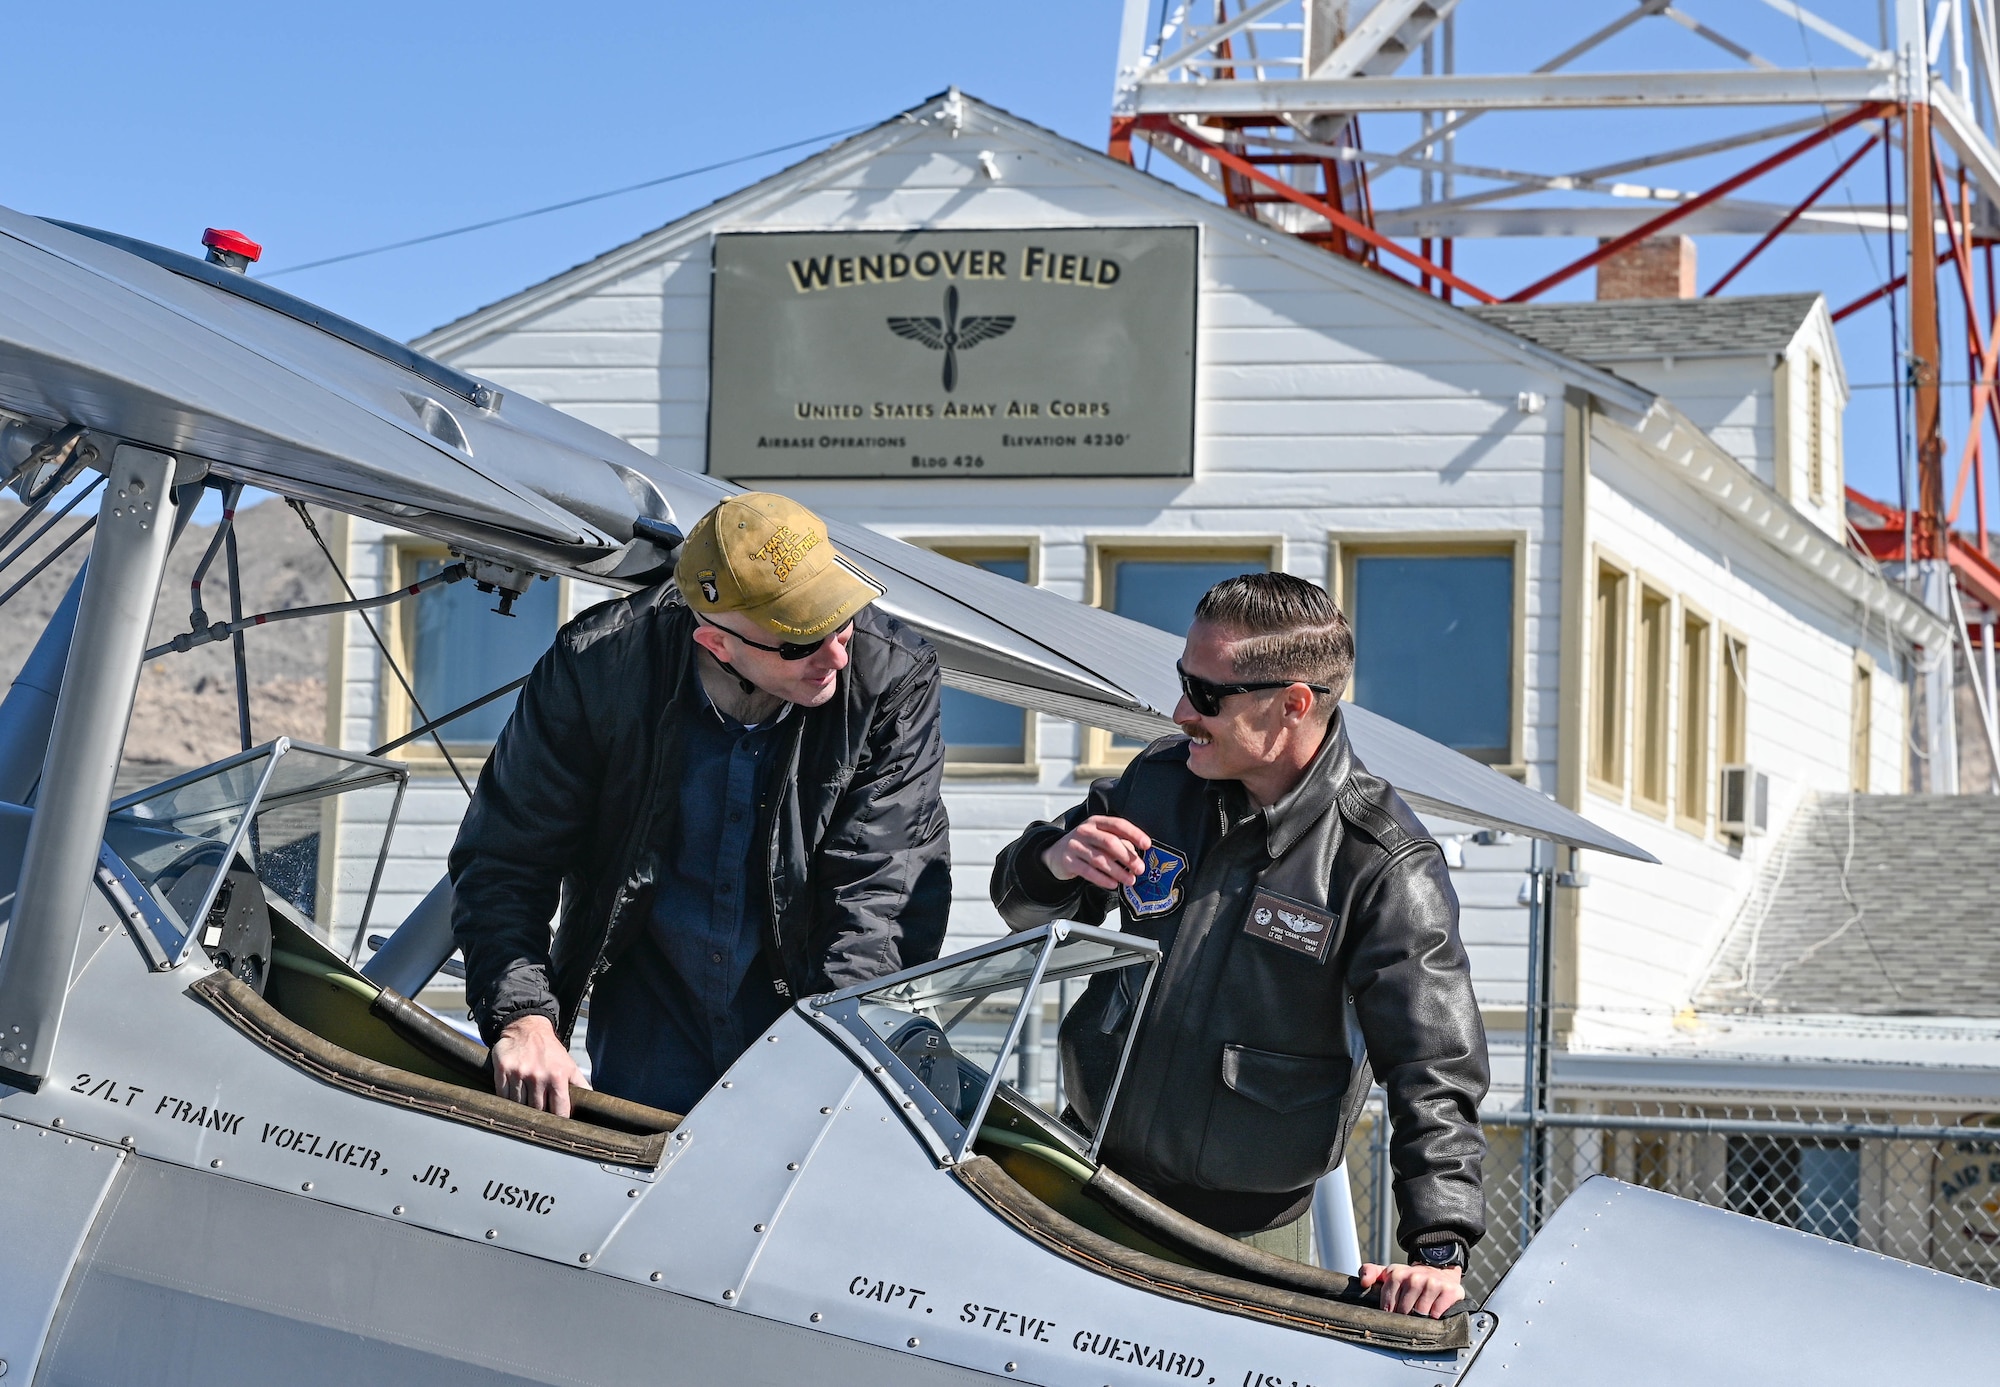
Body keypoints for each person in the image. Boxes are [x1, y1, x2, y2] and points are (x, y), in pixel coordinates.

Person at [989, 572, 1487, 1318]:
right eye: (1183, 680)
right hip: (1088, 1185)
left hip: (1240, 1246)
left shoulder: (1378, 860)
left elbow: (1434, 1065)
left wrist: (1439, 1247)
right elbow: (1020, 903)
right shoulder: (1158, 785)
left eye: (1208, 695)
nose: (1182, 709)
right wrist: (1055, 860)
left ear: (1293, 704)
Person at [451, 492, 951, 1118]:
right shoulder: (597, 667)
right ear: (716, 642)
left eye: (841, 617)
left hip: (812, 1026)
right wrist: (522, 1017)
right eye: (800, 644)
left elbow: (882, 890)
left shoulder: (891, 678)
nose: (837, 656)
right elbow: (505, 858)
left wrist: (835, 1052)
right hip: (648, 1023)